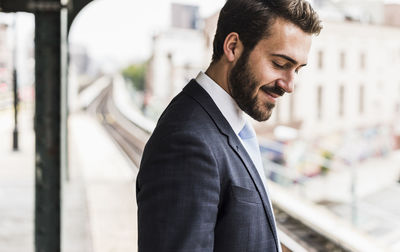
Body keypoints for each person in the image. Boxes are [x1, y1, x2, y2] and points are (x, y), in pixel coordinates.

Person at [136, 0, 322, 251]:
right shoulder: (186, 142)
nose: (289, 85)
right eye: (280, 64)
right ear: (232, 46)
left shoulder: (227, 123)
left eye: (297, 69)